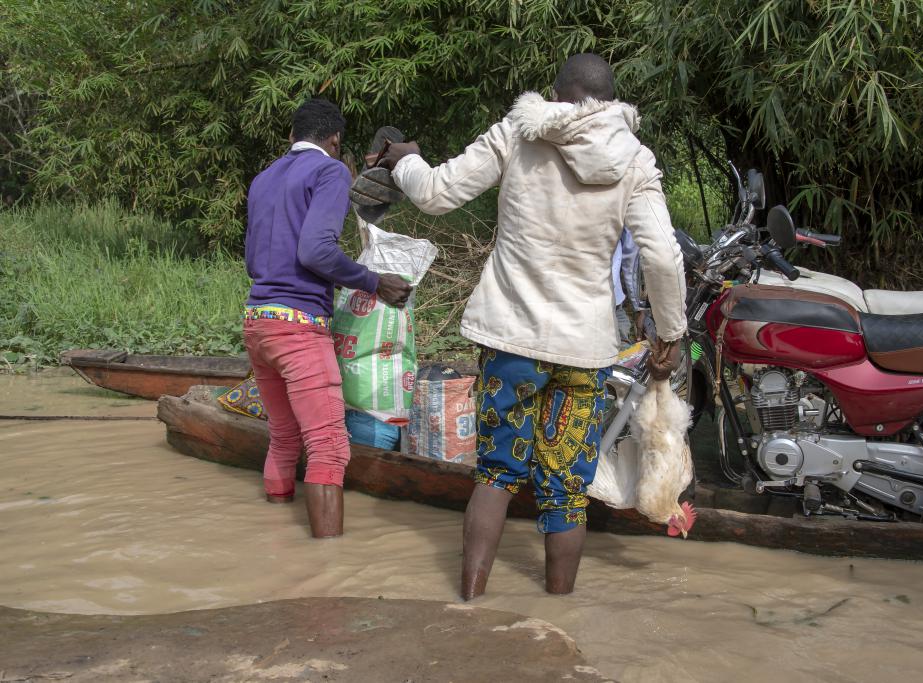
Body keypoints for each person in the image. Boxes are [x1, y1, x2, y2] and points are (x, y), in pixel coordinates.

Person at [376, 54, 687, 598]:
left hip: (511, 341)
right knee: (567, 489)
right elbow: (663, 256)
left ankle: (468, 602)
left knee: (496, 474)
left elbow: (434, 194)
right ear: (611, 102)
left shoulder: (518, 134)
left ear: (556, 93)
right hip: (584, 349)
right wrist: (671, 333)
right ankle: (560, 615)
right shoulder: (634, 161)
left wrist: (406, 160)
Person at [244, 97, 411, 538]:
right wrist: (373, 281)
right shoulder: (330, 171)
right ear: (335, 140)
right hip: (298, 329)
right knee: (330, 447)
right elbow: (316, 251)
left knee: (283, 435)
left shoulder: (263, 178)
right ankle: (327, 566)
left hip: (258, 321)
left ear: (291, 137)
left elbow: (253, 259)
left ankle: (276, 530)